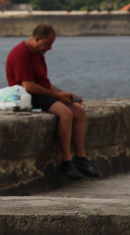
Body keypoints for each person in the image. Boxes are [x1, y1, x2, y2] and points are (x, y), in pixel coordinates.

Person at [6, 24, 99, 180]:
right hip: (26, 96)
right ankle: (66, 161)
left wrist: (63, 93)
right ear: (37, 39)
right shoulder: (21, 53)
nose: (49, 48)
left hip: (40, 92)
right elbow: (28, 86)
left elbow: (44, 83)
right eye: (48, 44)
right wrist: (55, 96)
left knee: (80, 113)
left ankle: (81, 159)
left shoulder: (37, 52)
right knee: (66, 113)